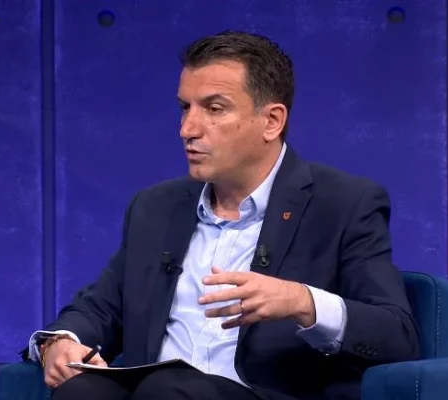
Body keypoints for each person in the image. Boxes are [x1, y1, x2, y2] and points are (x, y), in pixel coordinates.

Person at [25, 30, 421, 400]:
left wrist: (302, 301)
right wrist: (60, 341)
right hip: (156, 391)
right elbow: (99, 308)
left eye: (214, 109)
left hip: (254, 394)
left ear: (272, 121)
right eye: (185, 107)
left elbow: (398, 337)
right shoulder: (155, 207)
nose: (187, 129)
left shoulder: (343, 204)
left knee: (168, 388)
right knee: (83, 390)